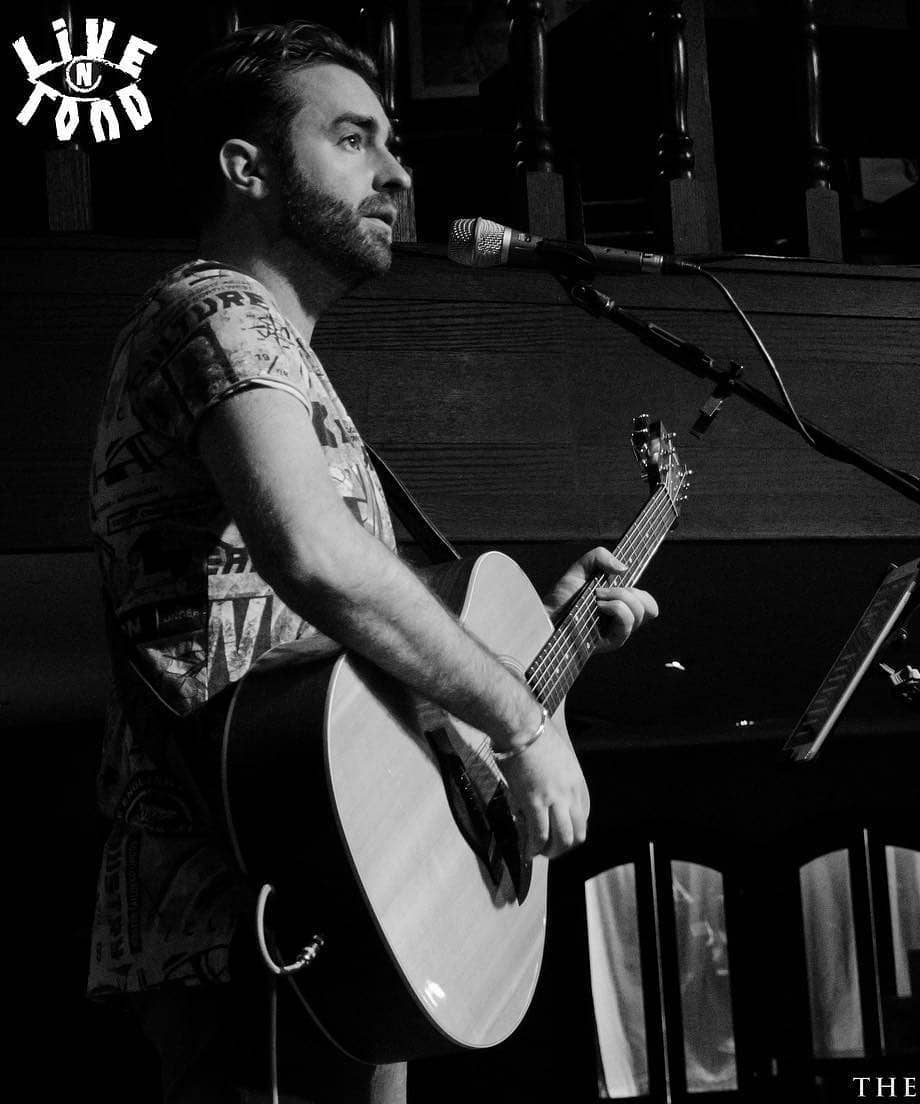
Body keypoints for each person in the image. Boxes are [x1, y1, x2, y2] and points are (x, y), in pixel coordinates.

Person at [87, 19, 658, 1104]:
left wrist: (540, 638)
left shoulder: (284, 359)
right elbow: (314, 556)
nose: (397, 172)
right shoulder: (218, 309)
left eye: (394, 143)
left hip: (332, 891)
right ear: (247, 168)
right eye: (353, 139)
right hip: (249, 905)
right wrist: (519, 717)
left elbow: (336, 646)